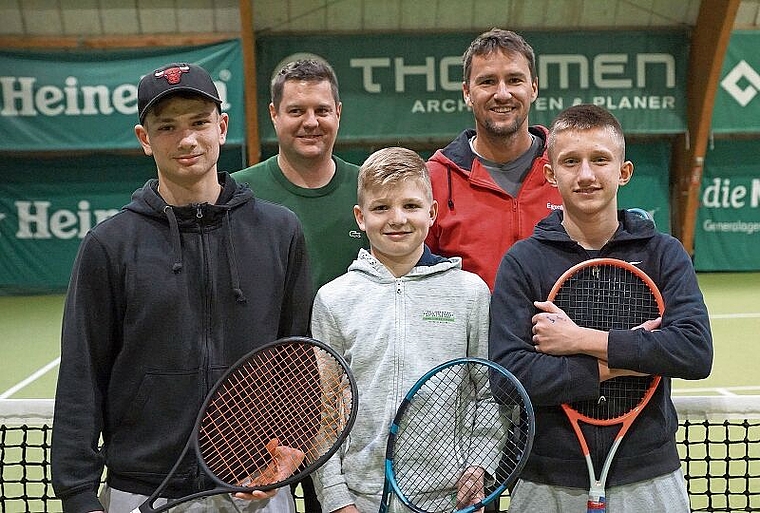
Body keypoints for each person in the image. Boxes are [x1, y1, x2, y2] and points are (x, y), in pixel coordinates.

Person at [51, 62, 312, 513]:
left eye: (198, 122)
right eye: (167, 126)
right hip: (142, 488)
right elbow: (81, 374)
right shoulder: (108, 245)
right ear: (144, 138)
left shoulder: (280, 231)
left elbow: (297, 359)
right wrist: (77, 493)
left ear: (222, 126)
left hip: (255, 483)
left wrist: (288, 452)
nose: (187, 139)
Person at [489, 104, 713, 512]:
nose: (587, 175)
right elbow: (509, 380)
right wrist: (622, 362)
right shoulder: (523, 262)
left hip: (650, 475)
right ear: (550, 174)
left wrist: (579, 339)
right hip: (546, 477)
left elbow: (694, 352)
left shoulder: (664, 254)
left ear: (623, 172)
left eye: (600, 160)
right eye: (571, 162)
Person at [310, 146, 492, 513]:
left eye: (410, 206)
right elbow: (322, 411)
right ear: (360, 217)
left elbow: (485, 395)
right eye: (381, 208)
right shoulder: (333, 300)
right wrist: (336, 497)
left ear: (432, 212)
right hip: (359, 499)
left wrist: (479, 465)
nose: (397, 219)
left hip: (448, 498)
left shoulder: (470, 293)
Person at [426, 28, 563, 291]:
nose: (502, 94)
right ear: (467, 92)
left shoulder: (569, 167)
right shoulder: (433, 179)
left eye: (514, 80)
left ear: (533, 88)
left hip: (560, 331)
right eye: (487, 81)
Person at [232, 59, 367, 294]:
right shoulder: (237, 192)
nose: (311, 122)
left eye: (322, 110)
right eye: (296, 111)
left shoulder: (369, 188)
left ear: (338, 112)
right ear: (274, 114)